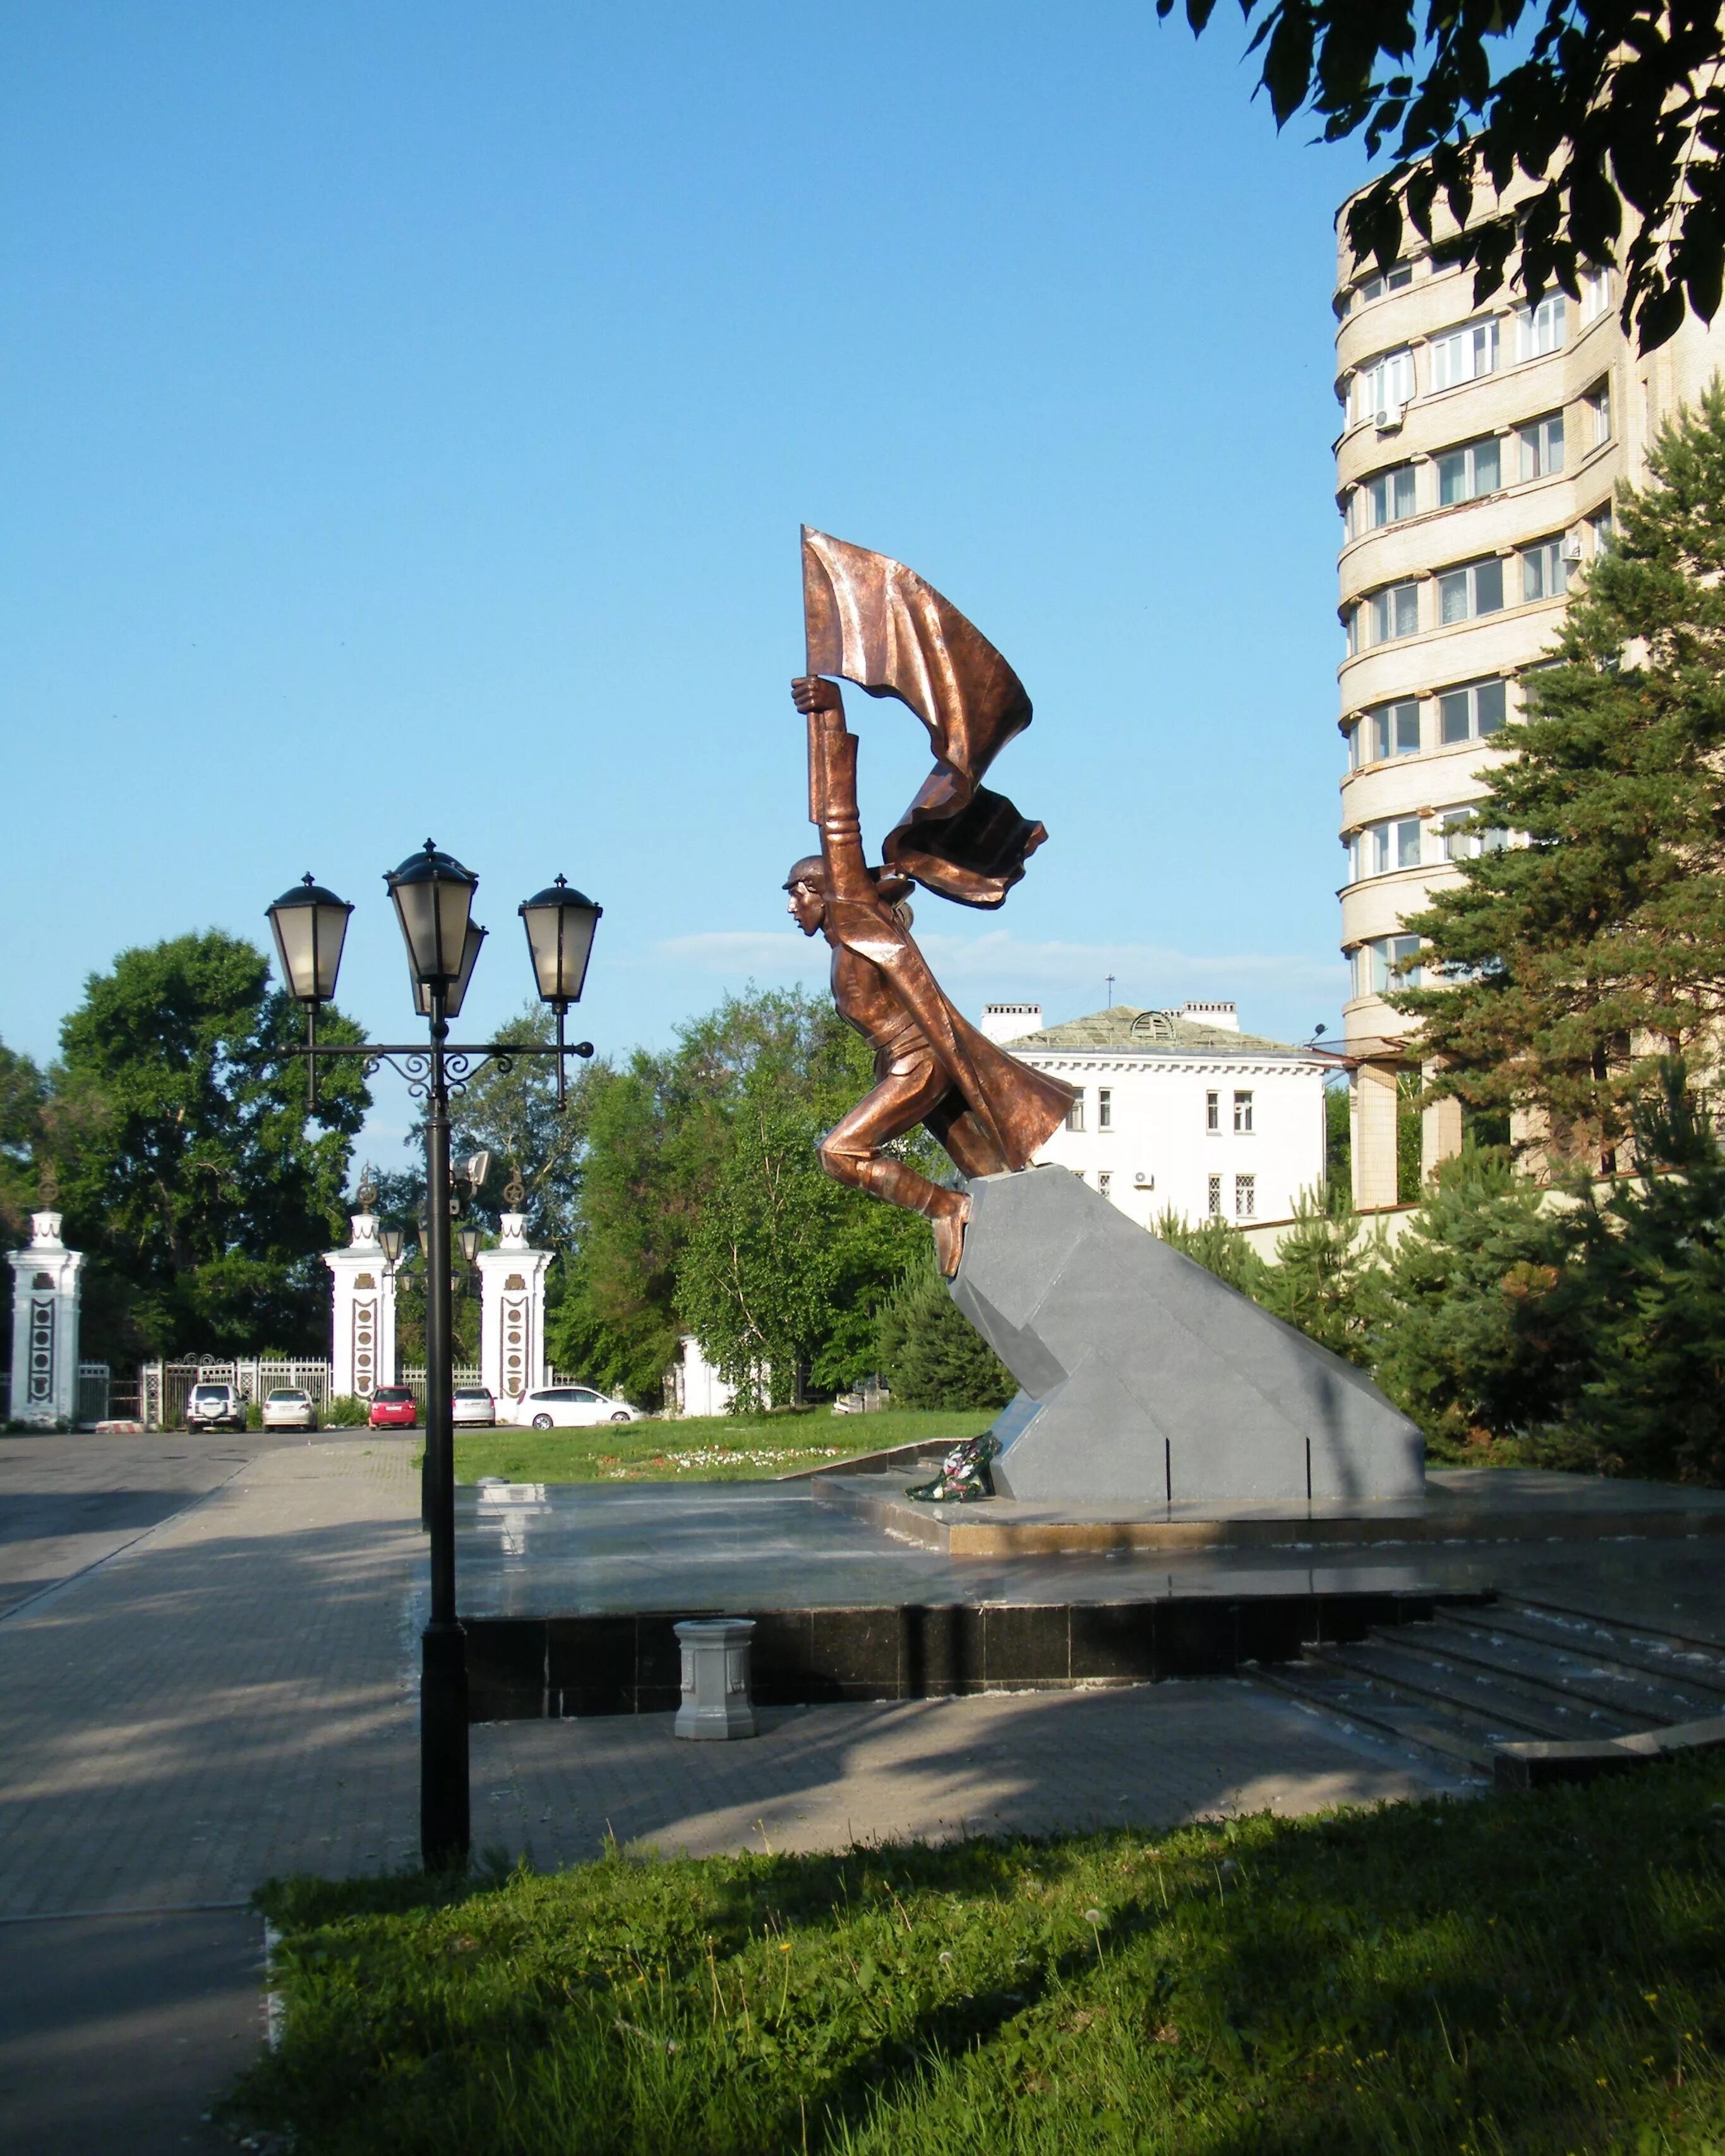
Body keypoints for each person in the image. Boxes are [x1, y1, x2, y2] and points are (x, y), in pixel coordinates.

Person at [787, 675, 1076, 1276]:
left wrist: (827, 721)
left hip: (920, 1061)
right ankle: (1055, 1260)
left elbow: (837, 820)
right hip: (912, 1064)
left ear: (825, 889)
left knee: (840, 1152)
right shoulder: (847, 937)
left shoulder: (854, 914)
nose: (791, 907)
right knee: (1001, 1181)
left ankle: (946, 1207)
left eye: (796, 893)